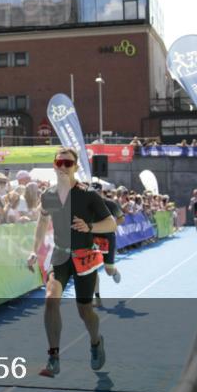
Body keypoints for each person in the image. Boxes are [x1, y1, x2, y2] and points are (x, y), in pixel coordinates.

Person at [27, 147, 117, 376]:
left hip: (84, 257)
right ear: (54, 165)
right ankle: (53, 356)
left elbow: (111, 224)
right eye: (60, 163)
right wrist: (34, 251)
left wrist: (89, 227)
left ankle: (96, 342)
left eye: (69, 164)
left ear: (76, 167)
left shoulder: (88, 195)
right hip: (59, 256)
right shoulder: (48, 195)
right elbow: (41, 224)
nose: (64, 167)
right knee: (50, 299)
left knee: (84, 310)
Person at [92, 184, 124, 308]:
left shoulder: (110, 204)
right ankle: (98, 298)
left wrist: (110, 225)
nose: (94, 194)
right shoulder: (87, 205)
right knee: (92, 269)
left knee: (108, 270)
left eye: (96, 192)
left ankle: (114, 270)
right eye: (92, 192)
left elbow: (121, 218)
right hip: (92, 239)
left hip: (108, 239)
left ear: (102, 192)